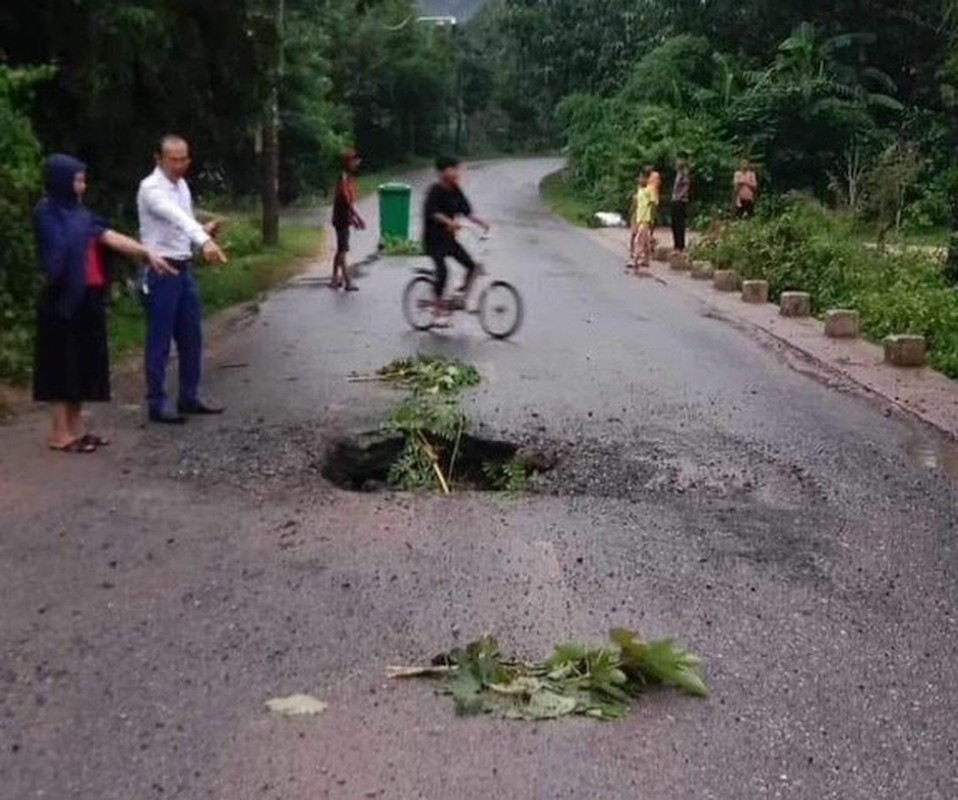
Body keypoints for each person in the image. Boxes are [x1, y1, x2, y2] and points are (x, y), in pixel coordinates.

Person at [33, 154, 172, 453]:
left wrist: (147, 254)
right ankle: (59, 434)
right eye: (77, 180)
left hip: (89, 295)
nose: (82, 185)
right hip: (61, 299)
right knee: (61, 365)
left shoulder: (81, 213)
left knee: (84, 363)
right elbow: (56, 255)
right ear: (61, 181)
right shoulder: (47, 211)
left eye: (83, 179)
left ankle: (77, 428)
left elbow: (109, 237)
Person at [137, 135, 228, 424]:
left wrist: (204, 232)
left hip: (183, 268)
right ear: (159, 159)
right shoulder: (151, 188)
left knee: (192, 337)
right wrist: (204, 241)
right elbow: (175, 217)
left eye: (184, 159)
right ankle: (157, 401)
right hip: (161, 271)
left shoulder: (182, 186)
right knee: (160, 339)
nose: (180, 165)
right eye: (173, 159)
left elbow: (183, 224)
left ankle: (189, 395)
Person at [422, 156, 490, 323]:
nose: (456, 172)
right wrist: (448, 221)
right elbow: (433, 212)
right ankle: (437, 309)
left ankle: (459, 297)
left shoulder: (455, 189)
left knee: (472, 266)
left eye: (457, 169)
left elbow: (467, 211)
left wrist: (481, 222)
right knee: (444, 272)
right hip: (433, 240)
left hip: (449, 240)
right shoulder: (435, 190)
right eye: (453, 169)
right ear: (442, 172)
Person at [330, 149, 365, 291]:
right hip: (341, 218)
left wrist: (354, 218)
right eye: (354, 161)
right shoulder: (343, 177)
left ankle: (334, 279)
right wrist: (356, 217)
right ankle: (347, 281)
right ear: (348, 162)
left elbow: (348, 200)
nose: (357, 163)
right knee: (343, 249)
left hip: (344, 217)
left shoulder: (348, 177)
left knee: (341, 248)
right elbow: (345, 200)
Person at [630, 167, 655, 271]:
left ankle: (636, 259)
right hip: (639, 218)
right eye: (640, 178)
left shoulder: (649, 191)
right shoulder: (640, 190)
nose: (641, 180)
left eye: (643, 178)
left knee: (638, 240)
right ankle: (646, 259)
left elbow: (653, 204)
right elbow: (637, 204)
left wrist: (652, 219)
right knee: (645, 241)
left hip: (645, 219)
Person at [671, 152, 692, 252]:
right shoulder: (678, 172)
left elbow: (687, 186)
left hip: (681, 200)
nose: (677, 162)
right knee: (674, 223)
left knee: (679, 223)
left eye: (679, 160)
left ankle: (680, 245)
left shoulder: (684, 172)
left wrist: (679, 196)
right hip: (675, 199)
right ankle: (676, 245)